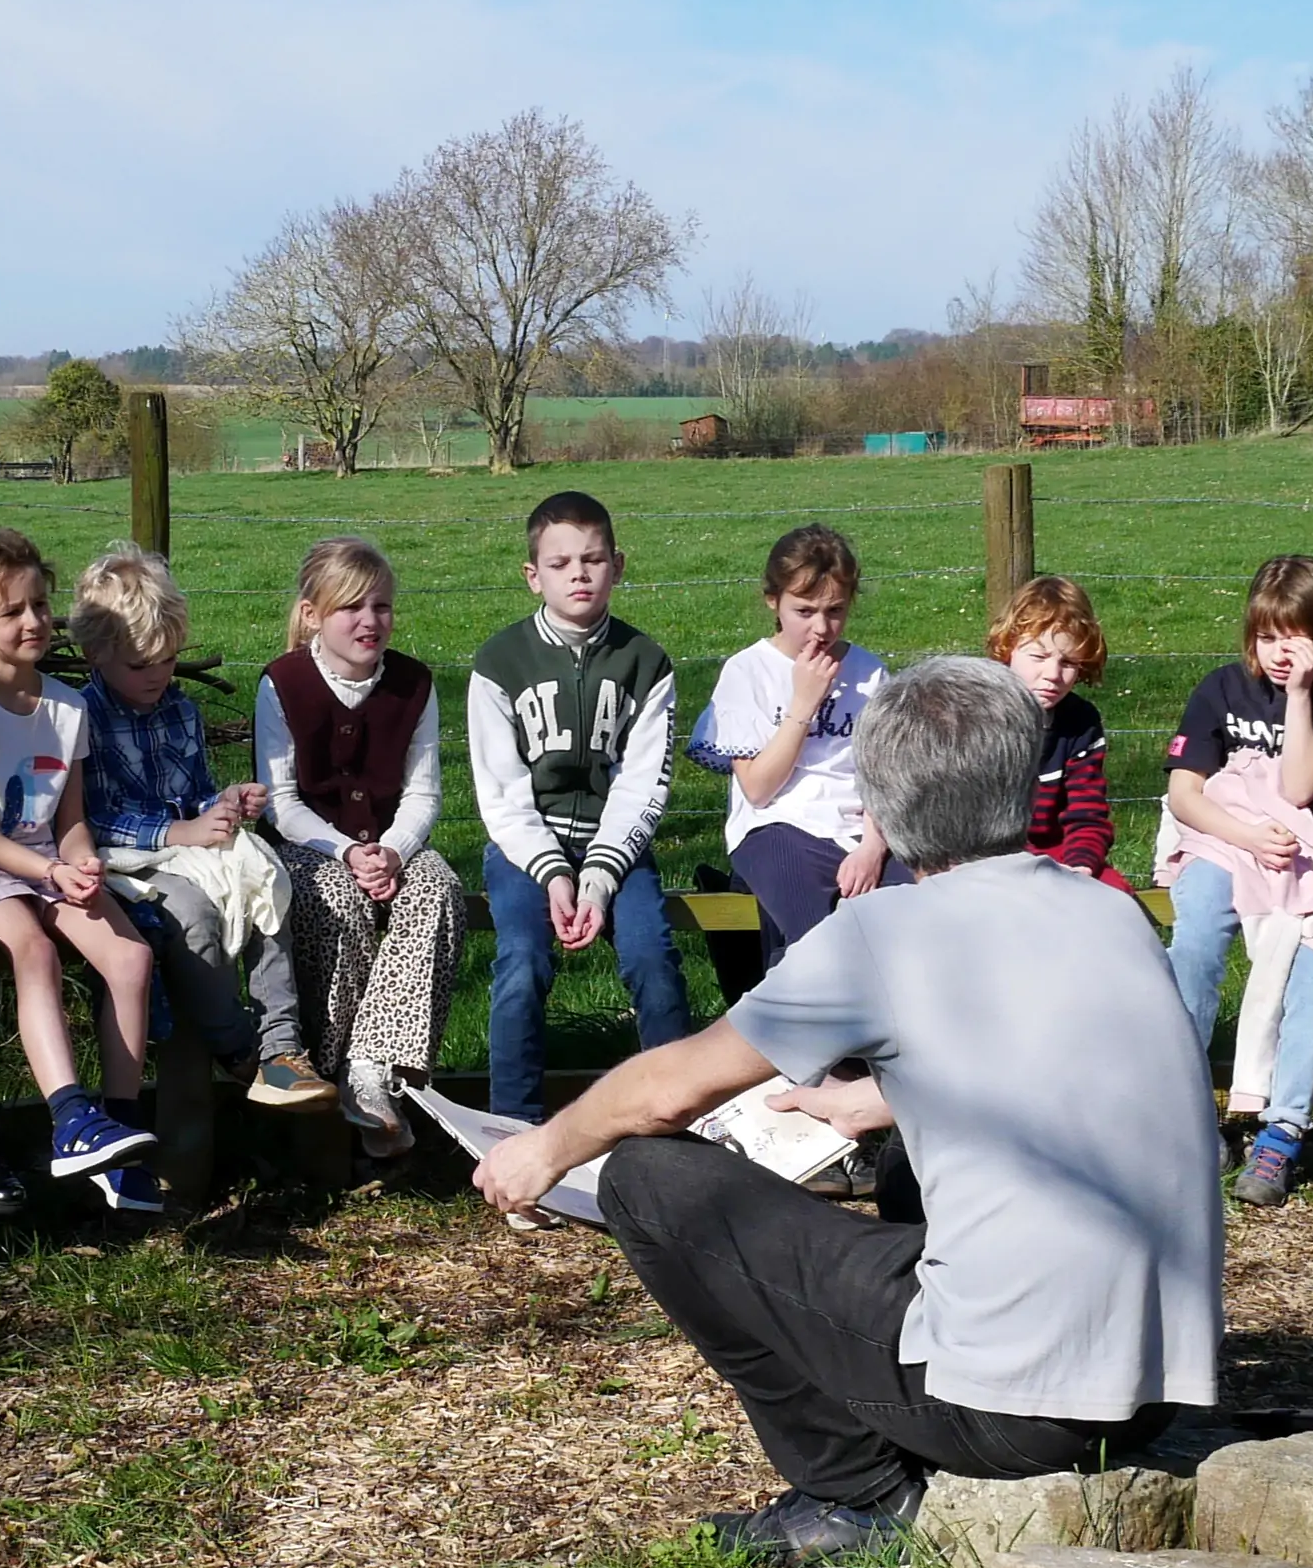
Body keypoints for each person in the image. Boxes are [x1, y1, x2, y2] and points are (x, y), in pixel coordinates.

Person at [470, 656, 1221, 1562]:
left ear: (880, 806)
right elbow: (1052, 1059)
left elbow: (669, 1088)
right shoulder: (1108, 911)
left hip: (1006, 1417)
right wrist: (873, 1097)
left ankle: (853, 1489)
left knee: (646, 1177)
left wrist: (544, 1148)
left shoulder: (883, 932)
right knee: (903, 1159)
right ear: (1023, 781)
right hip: (1156, 1392)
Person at [0, 527, 165, 1213]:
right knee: (32, 947)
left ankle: (119, 1133)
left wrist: (80, 862)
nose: (33, 621)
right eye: (12, 611)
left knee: (131, 959)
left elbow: (70, 820)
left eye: (40, 606)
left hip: (44, 862)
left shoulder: (67, 706)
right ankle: (70, 1118)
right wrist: (53, 874)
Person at [71, 543, 332, 1117]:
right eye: (140, 665)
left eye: (168, 660)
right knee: (193, 914)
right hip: (120, 861)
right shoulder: (81, 718)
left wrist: (227, 802)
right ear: (95, 653)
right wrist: (178, 833)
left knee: (267, 879)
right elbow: (90, 818)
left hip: (183, 845)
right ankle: (238, 1049)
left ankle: (282, 1049)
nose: (157, 675)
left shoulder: (180, 711)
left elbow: (194, 793)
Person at [1159, 554, 1313, 1207]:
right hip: (1228, 840)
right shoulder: (1221, 689)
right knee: (1196, 937)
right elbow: (1185, 795)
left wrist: (1300, 697)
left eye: (1296, 638)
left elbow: (1301, 787)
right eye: (1267, 636)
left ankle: (1282, 1132)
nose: (1280, 653)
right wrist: (1246, 836)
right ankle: (1182, 1110)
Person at [467, 491, 693, 1116]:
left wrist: (597, 878)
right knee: (521, 960)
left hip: (616, 846)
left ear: (617, 566)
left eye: (593, 560)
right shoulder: (499, 662)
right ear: (532, 575)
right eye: (560, 563)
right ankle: (513, 1126)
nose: (579, 575)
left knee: (652, 957)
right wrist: (551, 872)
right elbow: (500, 790)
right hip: (524, 846)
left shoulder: (645, 662)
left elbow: (643, 783)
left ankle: (679, 1114)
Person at [252, 534, 460, 1159]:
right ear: (313, 614)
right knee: (333, 901)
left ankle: (375, 1070)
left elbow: (423, 793)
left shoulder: (413, 684)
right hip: (309, 844)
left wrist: (393, 850)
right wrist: (346, 851)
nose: (370, 620)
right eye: (351, 607)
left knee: (437, 888)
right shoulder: (283, 683)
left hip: (392, 843)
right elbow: (281, 801)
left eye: (381, 606)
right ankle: (326, 1076)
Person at [688, 521, 899, 995]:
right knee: (816, 937)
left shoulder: (869, 672)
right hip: (778, 827)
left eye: (835, 611)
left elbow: (883, 775)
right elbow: (759, 788)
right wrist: (803, 703)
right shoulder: (749, 672)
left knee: (911, 916)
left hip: (861, 829)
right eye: (804, 611)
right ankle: (801, 1032)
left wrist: (872, 847)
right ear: (773, 601)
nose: (821, 628)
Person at [986, 573, 1118, 883]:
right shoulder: (977, 713)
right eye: (1038, 656)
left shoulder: (1080, 722)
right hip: (986, 858)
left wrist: (1081, 866)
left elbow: (1087, 814)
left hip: (1058, 855)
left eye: (1068, 662)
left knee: (1115, 895)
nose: (1053, 674)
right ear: (1008, 648)